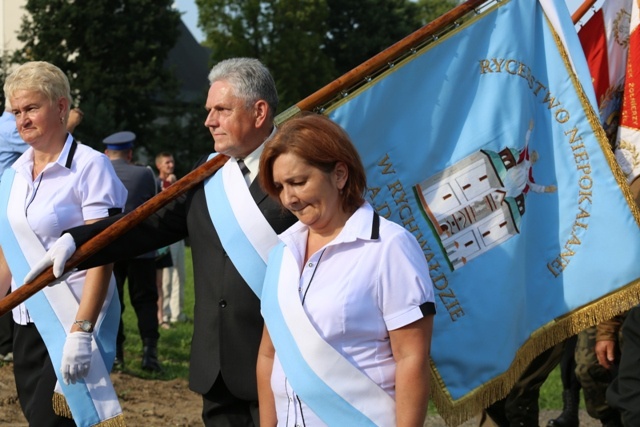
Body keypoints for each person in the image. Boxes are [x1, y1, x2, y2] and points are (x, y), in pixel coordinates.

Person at [24, 57, 297, 427]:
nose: (209, 121)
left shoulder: (301, 170)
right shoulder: (211, 172)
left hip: (284, 365)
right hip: (216, 367)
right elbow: (149, 224)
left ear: (259, 111)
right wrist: (77, 241)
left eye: (221, 110)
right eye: (208, 110)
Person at [255, 113, 436, 426]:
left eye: (299, 182)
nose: (289, 199)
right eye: (280, 187)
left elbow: (412, 359)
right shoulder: (281, 254)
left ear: (339, 175)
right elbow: (269, 355)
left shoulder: (390, 247)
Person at [0, 61, 126, 426]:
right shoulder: (14, 175)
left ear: (60, 107)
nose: (22, 119)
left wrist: (82, 330)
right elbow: (9, 250)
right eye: (16, 111)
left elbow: (104, 252)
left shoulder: (91, 166)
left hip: (73, 319)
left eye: (31, 108)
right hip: (27, 322)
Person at [103, 130, 162, 372]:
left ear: (107, 154)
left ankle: (116, 354)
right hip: (142, 248)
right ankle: (150, 354)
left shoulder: (99, 171)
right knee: (146, 301)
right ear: (130, 153)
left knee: (111, 302)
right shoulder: (145, 173)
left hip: (110, 250)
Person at [0, 97, 28, 364]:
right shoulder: (9, 129)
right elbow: (52, 144)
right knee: (8, 274)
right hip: (6, 208)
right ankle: (7, 344)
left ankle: (7, 343)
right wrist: (72, 121)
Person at [155, 151, 187, 325]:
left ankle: (178, 313)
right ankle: (165, 314)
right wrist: (170, 185)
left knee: (179, 275)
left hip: (178, 235)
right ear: (159, 165)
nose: (170, 165)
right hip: (164, 235)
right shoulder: (156, 182)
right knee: (166, 278)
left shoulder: (176, 180)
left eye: (172, 161)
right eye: (167, 162)